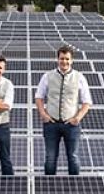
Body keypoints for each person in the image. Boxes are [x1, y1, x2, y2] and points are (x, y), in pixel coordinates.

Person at [35, 45, 92, 175]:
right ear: (57, 59)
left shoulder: (80, 77)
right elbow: (39, 97)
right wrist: (43, 114)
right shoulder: (47, 76)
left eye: (67, 59)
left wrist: (78, 118)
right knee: (50, 158)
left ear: (71, 60)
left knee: (73, 157)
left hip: (71, 125)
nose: (64, 62)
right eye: (62, 58)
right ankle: (49, 187)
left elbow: (87, 102)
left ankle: (73, 187)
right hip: (51, 124)